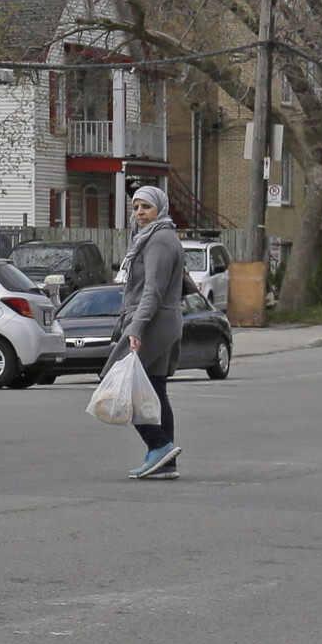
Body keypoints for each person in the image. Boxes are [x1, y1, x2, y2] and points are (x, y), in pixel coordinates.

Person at [115, 184, 186, 479]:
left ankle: (159, 445)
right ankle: (165, 462)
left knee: (124, 385)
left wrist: (137, 326)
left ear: (160, 208)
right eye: (136, 207)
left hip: (153, 322)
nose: (140, 213)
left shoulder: (158, 240)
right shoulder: (158, 238)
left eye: (146, 207)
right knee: (155, 389)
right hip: (164, 320)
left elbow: (153, 291)